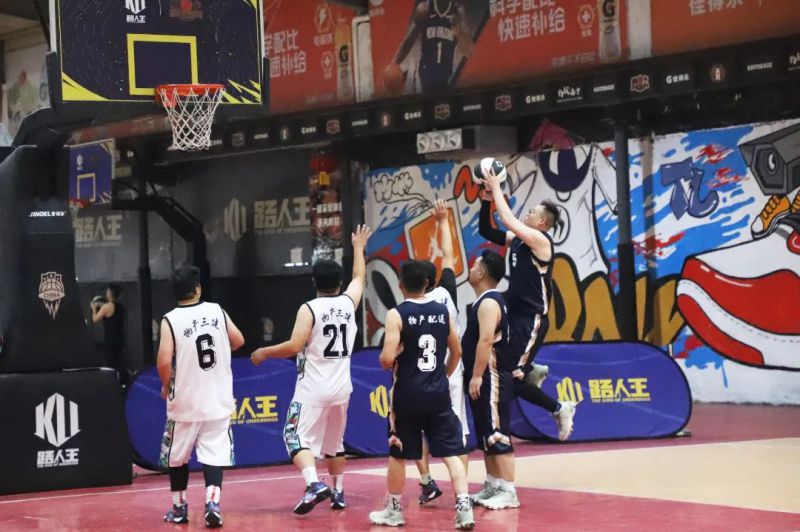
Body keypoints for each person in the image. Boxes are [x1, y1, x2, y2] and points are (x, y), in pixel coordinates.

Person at [250, 225, 372, 514]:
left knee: (292, 436)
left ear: (314, 282)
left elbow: (295, 345)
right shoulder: (348, 303)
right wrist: (358, 248)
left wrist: (265, 351)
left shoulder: (310, 308)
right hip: (341, 388)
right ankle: (338, 493)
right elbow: (359, 277)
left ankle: (314, 483)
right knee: (335, 443)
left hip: (314, 388)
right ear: (339, 283)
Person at [369, 260, 474, 529]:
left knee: (398, 452)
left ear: (400, 285)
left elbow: (386, 360)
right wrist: (444, 374)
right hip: (438, 392)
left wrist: (395, 352)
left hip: (407, 394)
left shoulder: (396, 314)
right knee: (451, 452)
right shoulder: (442, 311)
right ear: (427, 283)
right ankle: (464, 508)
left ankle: (394, 510)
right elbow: (457, 352)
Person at [479, 170, 577, 443]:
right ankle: (531, 369)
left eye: (533, 212)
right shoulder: (520, 239)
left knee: (510, 377)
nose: (528, 213)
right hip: (514, 313)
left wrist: (496, 188)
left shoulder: (541, 241)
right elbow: (487, 231)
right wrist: (486, 200)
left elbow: (507, 218)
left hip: (531, 318)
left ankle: (558, 407)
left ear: (542, 222)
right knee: (504, 370)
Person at [156, 265, 244, 528]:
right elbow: (238, 340)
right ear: (197, 289)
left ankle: (179, 508)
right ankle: (212, 503)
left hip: (185, 399)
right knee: (214, 454)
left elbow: (163, 361)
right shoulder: (217, 311)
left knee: (176, 456)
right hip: (218, 398)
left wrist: (166, 384)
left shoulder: (170, 319)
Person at [415, 199, 469, 505]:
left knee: (414, 430)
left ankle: (427, 482)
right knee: (457, 433)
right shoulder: (446, 291)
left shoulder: (408, 308)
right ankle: (462, 494)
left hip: (422, 377)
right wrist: (443, 220)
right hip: (450, 370)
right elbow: (448, 255)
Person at [460, 250, 519, 510]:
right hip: (484, 375)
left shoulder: (488, 303)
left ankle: (509, 490)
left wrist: (476, 375)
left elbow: (485, 341)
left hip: (491, 376)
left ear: (482, 272)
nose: (471, 269)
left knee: (497, 434)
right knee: (487, 433)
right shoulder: (484, 301)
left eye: (474, 265)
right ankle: (493, 484)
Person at [386, 0, 475, 94]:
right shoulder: (424, 8)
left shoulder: (458, 11)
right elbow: (409, 40)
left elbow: (469, 50)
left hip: (446, 77)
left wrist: (459, 32)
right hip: (423, 76)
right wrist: (395, 63)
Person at [91, 283, 127, 386]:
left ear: (110, 293)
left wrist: (94, 308)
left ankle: (112, 384)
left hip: (110, 339)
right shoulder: (121, 307)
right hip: (120, 338)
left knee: (110, 363)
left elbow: (95, 319)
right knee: (119, 361)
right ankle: (123, 382)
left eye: (107, 291)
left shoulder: (107, 306)